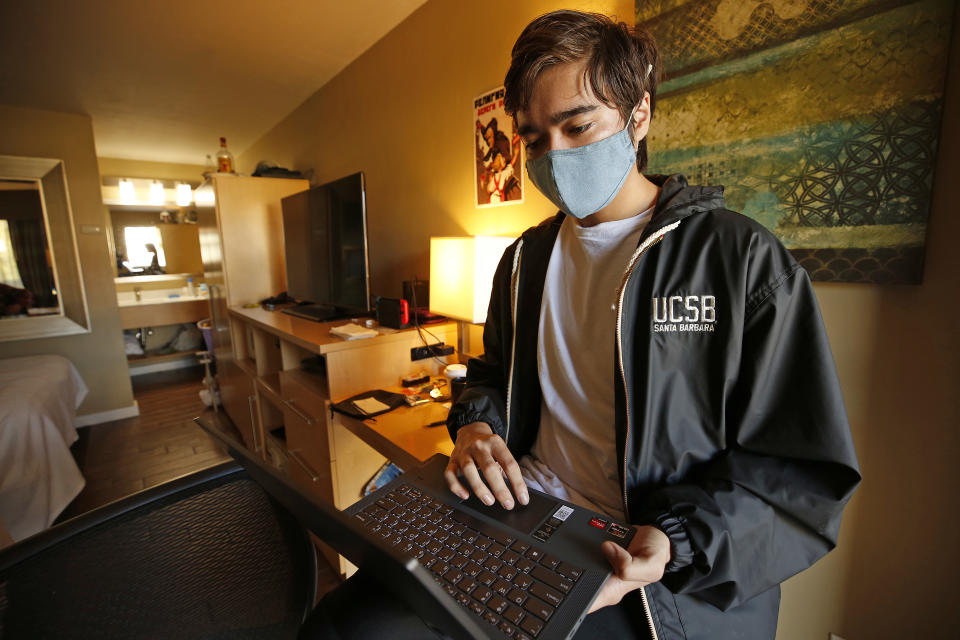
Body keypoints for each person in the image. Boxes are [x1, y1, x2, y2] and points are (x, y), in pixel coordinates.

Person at [303, 10, 859, 639]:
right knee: (342, 628)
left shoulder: (740, 261)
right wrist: (477, 426)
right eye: (536, 139)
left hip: (647, 562)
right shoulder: (522, 262)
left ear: (639, 114)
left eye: (578, 125)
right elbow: (490, 372)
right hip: (523, 513)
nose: (556, 155)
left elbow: (799, 472)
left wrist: (675, 542)